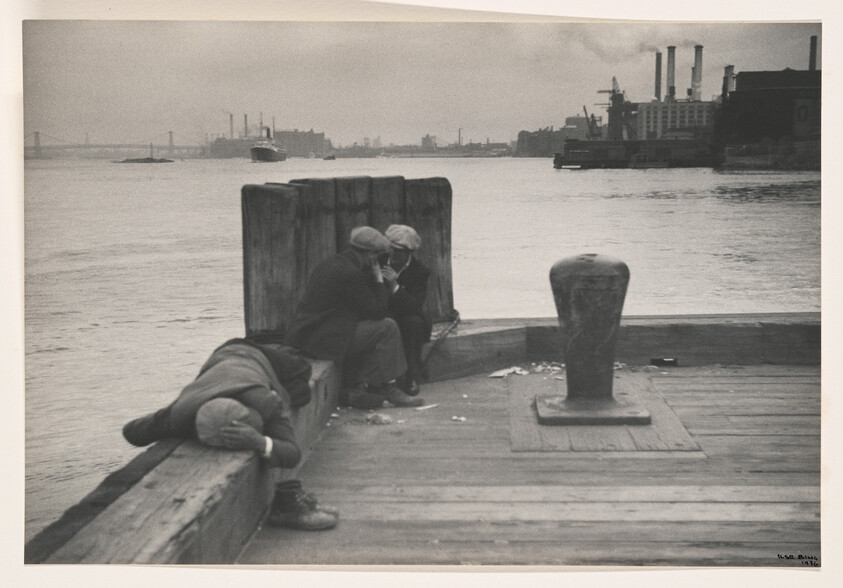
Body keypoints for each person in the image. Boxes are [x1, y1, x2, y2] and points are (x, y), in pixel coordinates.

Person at [121, 337, 338, 531]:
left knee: (302, 380)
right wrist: (171, 419)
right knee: (295, 393)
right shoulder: (182, 414)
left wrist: (259, 441)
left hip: (256, 353)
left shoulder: (265, 401)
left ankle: (276, 345)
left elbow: (293, 453)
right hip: (220, 363)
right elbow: (132, 431)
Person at [284, 226, 424, 409]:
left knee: (376, 328)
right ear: (371, 255)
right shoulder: (350, 273)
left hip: (313, 333)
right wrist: (379, 280)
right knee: (387, 327)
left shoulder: (333, 262)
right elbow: (377, 312)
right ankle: (389, 388)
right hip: (322, 339)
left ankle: (365, 385)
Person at [383, 224, 432, 396]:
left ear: (409, 251)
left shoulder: (419, 272)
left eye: (398, 251)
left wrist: (395, 287)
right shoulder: (378, 262)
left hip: (406, 315)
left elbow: (414, 306)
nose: (392, 254)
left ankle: (411, 374)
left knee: (414, 323)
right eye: (390, 248)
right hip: (383, 312)